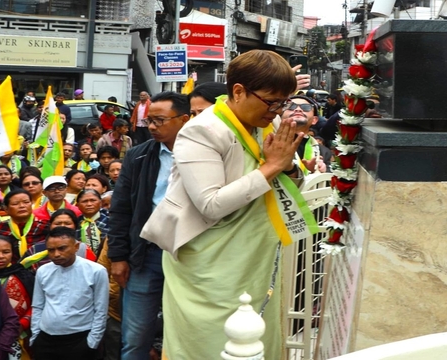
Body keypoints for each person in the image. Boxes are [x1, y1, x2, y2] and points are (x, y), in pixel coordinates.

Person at [141, 50, 305, 360]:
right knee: (211, 346)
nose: (277, 111)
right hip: (210, 266)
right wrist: (271, 167)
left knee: (259, 336)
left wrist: (289, 168)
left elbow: (288, 178)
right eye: (272, 101)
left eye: (283, 102)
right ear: (239, 91)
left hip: (255, 257)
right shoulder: (203, 130)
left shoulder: (268, 123)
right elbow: (211, 204)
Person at [107, 91, 189, 360]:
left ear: (185, 119)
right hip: (147, 254)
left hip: (190, 255)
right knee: (135, 338)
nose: (152, 126)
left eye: (160, 120)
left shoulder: (205, 156)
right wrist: (118, 256)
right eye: (149, 121)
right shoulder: (138, 156)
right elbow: (121, 209)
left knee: (188, 335)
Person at [30, 227, 108, 359]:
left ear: (76, 246)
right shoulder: (43, 271)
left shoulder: (96, 271)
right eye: (51, 250)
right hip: (45, 340)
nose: (56, 254)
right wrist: (35, 336)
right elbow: (38, 306)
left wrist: (92, 343)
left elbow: (101, 311)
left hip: (80, 340)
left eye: (62, 248)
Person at [24, 209, 96, 266]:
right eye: (58, 223)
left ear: (75, 226)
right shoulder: (35, 249)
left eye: (67, 223)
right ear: (50, 226)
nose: (62, 226)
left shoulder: (83, 249)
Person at [282, 94, 330, 173]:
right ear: (280, 115)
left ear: (314, 120)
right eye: (291, 106)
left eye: (305, 107)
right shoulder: (269, 141)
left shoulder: (323, 152)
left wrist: (322, 170)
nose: (298, 109)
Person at [0, 189, 47, 256]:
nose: (22, 206)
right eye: (15, 203)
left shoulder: (44, 226)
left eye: (26, 202)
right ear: (6, 209)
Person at [76, 189, 108, 258]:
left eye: (93, 200)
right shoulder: (75, 222)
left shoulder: (110, 219)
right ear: (77, 205)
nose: (89, 204)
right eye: (85, 201)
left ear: (100, 202)